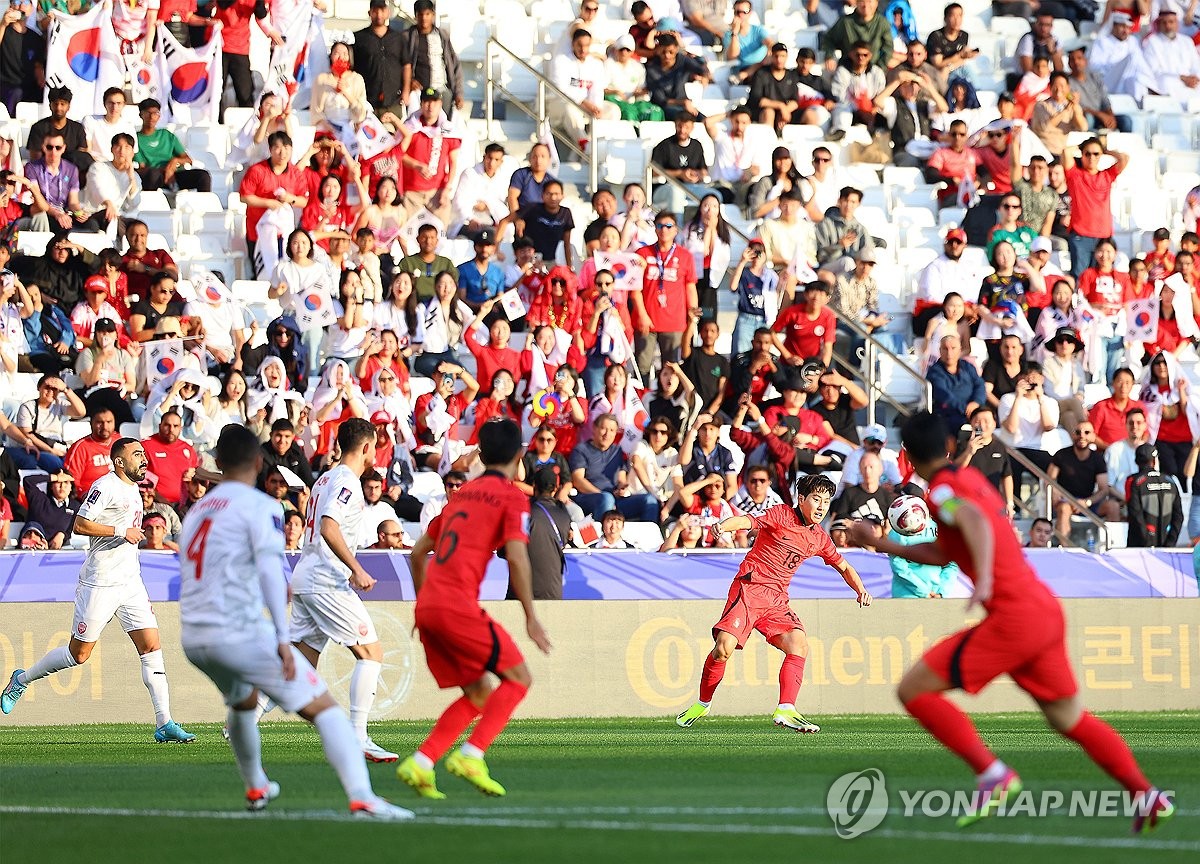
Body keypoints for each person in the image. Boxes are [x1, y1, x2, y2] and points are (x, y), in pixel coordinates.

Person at [852, 411, 1174, 834]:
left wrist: (984, 577)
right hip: (1043, 611)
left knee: (912, 690)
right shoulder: (968, 484)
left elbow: (971, 520)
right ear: (948, 444)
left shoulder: (947, 492)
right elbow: (945, 550)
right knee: (1070, 718)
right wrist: (880, 543)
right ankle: (1144, 792)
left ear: (907, 456)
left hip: (1014, 618)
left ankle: (992, 774)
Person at [178, 425, 411, 818]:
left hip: (195, 635)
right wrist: (280, 637)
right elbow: (280, 566)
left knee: (244, 700)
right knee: (344, 687)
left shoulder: (198, 511)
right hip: (305, 592)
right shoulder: (267, 505)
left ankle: (256, 787)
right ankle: (362, 785)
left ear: (218, 463)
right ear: (258, 463)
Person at [1, 438, 195, 743]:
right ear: (119, 462)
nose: (143, 459)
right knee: (79, 655)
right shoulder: (105, 486)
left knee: (151, 647)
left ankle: (164, 722)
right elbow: (79, 524)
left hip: (131, 582)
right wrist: (121, 532)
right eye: (137, 455)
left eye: (144, 454)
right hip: (100, 582)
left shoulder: (133, 488)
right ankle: (21, 680)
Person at [399, 418, 552, 799]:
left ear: (480, 455)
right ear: (520, 456)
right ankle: (472, 754)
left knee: (480, 692)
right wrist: (530, 617)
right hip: (456, 607)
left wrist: (423, 605)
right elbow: (517, 558)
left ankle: (421, 762)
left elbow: (417, 554)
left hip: (430, 607)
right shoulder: (512, 497)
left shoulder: (460, 496)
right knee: (519, 679)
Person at [676, 474, 871, 732]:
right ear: (801, 499)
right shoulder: (781, 514)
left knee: (799, 644)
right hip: (749, 588)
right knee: (723, 649)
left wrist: (860, 590)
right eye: (816, 499)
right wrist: (724, 526)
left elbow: (843, 566)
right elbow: (748, 521)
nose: (822, 506)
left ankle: (786, 709)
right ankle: (703, 703)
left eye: (826, 501)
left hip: (777, 600)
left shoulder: (819, 537)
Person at [289, 418, 397, 764]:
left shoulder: (324, 478)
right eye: (376, 446)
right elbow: (328, 527)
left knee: (299, 663)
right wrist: (357, 568)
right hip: (326, 580)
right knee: (372, 652)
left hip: (307, 574)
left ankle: (242, 718)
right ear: (367, 447)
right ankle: (358, 737)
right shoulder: (346, 481)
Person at [1047, 421, 1121, 537]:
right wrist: (1059, 496)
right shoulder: (1061, 455)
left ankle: (1114, 549)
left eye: (1087, 432)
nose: (1082, 436)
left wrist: (1087, 502)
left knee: (1113, 506)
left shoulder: (1097, 459)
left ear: (1093, 436)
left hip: (1089, 502)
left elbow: (1104, 489)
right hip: (1066, 501)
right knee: (1064, 508)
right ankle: (1065, 550)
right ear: (1073, 435)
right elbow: (1049, 480)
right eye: (1078, 432)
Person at [511, 466, 571, 601]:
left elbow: (506, 549)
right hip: (553, 590)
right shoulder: (564, 514)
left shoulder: (523, 512)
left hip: (522, 591)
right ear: (556, 488)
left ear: (533, 486)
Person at [400, 0, 464, 116]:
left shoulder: (442, 36)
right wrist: (409, 82)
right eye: (420, 14)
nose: (424, 18)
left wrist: (458, 93)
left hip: (442, 90)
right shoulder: (407, 37)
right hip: (418, 94)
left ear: (433, 15)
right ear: (415, 16)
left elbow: (455, 66)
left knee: (442, 129)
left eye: (427, 14)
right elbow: (400, 64)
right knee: (417, 129)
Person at [1125, 444, 1183, 548]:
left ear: (1136, 461)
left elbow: (1135, 514)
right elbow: (1178, 516)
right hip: (1166, 546)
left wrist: (1148, 543)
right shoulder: (1170, 481)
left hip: (1140, 547)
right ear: (1155, 460)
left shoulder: (1133, 481)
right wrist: (1170, 543)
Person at [356, 0, 405, 113]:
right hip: (366, 100)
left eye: (382, 11)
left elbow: (406, 64)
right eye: (375, 11)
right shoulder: (359, 38)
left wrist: (406, 91)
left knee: (392, 130)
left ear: (387, 13)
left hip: (393, 100)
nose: (379, 15)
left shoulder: (398, 38)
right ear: (369, 13)